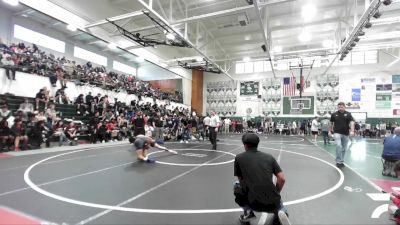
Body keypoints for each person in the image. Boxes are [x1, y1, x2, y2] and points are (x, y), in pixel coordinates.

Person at [234, 133, 287, 224]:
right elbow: (282, 178)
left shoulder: (239, 158)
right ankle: (281, 211)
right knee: (274, 195)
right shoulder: (269, 157)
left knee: (236, 185)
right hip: (272, 203)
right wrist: (276, 192)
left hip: (253, 203)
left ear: (245, 145)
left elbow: (241, 180)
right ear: (257, 144)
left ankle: (248, 213)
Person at [330, 102, 355, 168]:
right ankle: (338, 161)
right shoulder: (334, 114)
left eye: (342, 107)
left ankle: (341, 161)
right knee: (338, 145)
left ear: (344, 107)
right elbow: (331, 123)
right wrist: (330, 131)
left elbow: (352, 122)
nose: (340, 108)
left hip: (345, 133)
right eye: (339, 107)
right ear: (338, 107)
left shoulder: (348, 114)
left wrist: (352, 131)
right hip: (337, 133)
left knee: (344, 148)